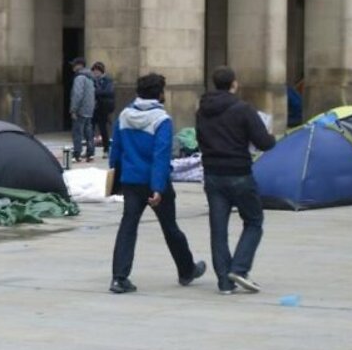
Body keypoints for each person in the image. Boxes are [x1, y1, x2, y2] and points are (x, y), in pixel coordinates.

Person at [108, 73, 206, 294]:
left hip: (131, 180)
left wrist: (116, 175)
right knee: (170, 227)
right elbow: (160, 155)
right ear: (160, 94)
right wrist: (158, 187)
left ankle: (119, 277)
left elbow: (116, 150)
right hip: (154, 182)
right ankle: (186, 270)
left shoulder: (124, 116)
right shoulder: (162, 120)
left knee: (128, 226)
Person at [196, 66, 276, 295]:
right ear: (234, 84)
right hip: (239, 171)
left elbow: (200, 138)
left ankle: (224, 281)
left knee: (218, 228)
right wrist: (270, 137)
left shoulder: (202, 110)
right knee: (253, 220)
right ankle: (239, 268)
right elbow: (264, 143)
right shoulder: (243, 109)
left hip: (212, 173)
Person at [69, 57, 96, 162]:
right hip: (89, 109)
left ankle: (77, 154)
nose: (73, 67)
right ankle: (90, 153)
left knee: (77, 133)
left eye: (74, 65)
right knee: (88, 132)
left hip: (80, 110)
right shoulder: (90, 77)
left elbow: (77, 94)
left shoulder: (79, 78)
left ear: (79, 65)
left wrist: (73, 109)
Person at [92, 62, 116, 159]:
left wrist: (97, 92)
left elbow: (109, 92)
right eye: (94, 71)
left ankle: (106, 149)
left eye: (97, 71)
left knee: (103, 129)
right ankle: (90, 149)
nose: (95, 73)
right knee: (90, 129)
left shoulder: (107, 80)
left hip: (103, 108)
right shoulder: (92, 80)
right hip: (94, 107)